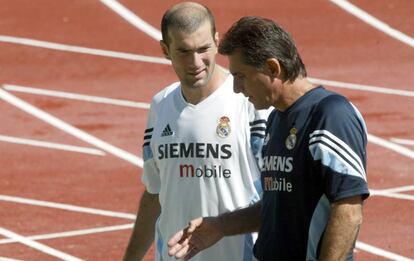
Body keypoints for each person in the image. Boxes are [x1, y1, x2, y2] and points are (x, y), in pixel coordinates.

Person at [168, 16, 370, 261]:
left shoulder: (330, 115)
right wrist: (221, 225)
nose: (236, 88)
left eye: (241, 76)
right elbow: (276, 208)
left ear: (273, 68)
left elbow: (348, 210)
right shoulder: (276, 119)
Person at [123, 4, 269, 261]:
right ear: (165, 50)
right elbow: (154, 193)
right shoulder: (161, 105)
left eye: (203, 50)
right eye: (184, 51)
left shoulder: (249, 102)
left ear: (216, 42)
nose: (195, 63)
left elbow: (279, 194)